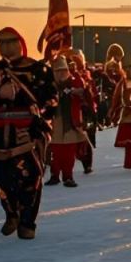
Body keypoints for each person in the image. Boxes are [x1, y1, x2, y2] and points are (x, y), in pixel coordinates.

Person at [0, 28, 56, 238]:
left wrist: (38, 114)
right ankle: (12, 213)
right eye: (1, 42)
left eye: (11, 41)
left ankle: (27, 222)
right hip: (0, 133)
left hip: (28, 132)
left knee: (31, 178)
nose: (6, 46)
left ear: (20, 42)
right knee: (0, 177)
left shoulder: (40, 69)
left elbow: (52, 100)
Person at [48, 54, 95, 188]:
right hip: (56, 123)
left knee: (69, 153)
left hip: (72, 123)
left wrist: (78, 92)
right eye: (58, 71)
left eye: (63, 70)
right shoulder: (50, 86)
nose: (61, 74)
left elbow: (84, 96)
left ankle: (68, 176)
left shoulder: (74, 82)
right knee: (55, 152)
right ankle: (54, 175)